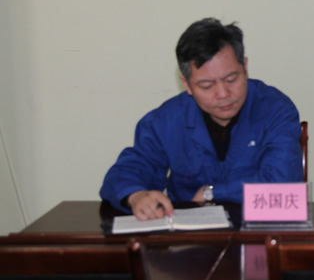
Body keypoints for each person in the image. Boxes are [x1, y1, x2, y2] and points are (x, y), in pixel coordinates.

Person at [100, 18, 303, 220]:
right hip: (189, 234)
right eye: (207, 86)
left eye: (231, 79)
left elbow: (283, 183)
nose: (223, 94)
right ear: (187, 84)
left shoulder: (275, 110)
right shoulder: (168, 119)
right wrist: (136, 196)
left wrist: (212, 193)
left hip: (260, 232)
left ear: (245, 67)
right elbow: (126, 172)